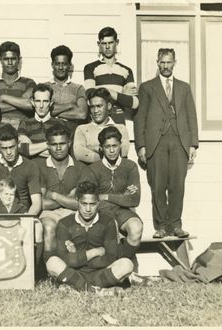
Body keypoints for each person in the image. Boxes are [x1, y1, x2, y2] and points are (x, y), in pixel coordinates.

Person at [134, 48, 198, 238]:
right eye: (162, 62)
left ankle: (176, 225)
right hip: (157, 142)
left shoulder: (184, 87)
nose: (165, 66)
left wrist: (193, 143)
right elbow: (140, 118)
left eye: (169, 62)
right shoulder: (147, 87)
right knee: (159, 185)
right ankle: (161, 226)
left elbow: (192, 117)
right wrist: (141, 146)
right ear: (157, 63)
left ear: (174, 63)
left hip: (179, 141)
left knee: (178, 185)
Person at [46, 181, 133, 295]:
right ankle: (97, 290)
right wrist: (95, 252)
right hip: (74, 272)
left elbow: (111, 257)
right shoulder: (65, 223)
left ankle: (81, 288)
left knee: (127, 264)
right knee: (52, 263)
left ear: (98, 203)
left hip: (100, 273)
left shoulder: (107, 222)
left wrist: (77, 255)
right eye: (84, 203)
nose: (88, 209)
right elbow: (64, 258)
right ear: (77, 202)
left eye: (92, 204)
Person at [0, 124, 43, 274]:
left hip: (22, 212)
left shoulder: (30, 166)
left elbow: (36, 203)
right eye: (4, 148)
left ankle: (33, 273)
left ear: (18, 144)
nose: (8, 152)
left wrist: (25, 220)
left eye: (12, 147)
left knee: (38, 228)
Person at [87, 126, 143, 266]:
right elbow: (93, 200)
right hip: (102, 213)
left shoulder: (130, 166)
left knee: (136, 228)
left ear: (120, 145)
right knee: (111, 227)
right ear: (101, 148)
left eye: (115, 146)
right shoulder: (93, 169)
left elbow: (134, 199)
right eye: (107, 147)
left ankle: (123, 263)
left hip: (123, 211)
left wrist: (106, 196)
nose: (112, 151)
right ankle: (116, 269)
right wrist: (122, 197)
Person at [37, 124, 89, 263]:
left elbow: (80, 204)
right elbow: (40, 203)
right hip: (48, 214)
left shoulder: (81, 168)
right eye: (54, 144)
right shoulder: (39, 167)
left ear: (69, 143)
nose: (58, 148)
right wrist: (68, 198)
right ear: (48, 145)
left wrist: (53, 195)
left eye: (62, 143)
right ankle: (51, 271)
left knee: (77, 227)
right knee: (48, 226)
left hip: (72, 213)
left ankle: (73, 270)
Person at [84, 27, 138, 125]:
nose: (107, 47)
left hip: (119, 120)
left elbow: (134, 103)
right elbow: (90, 95)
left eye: (111, 43)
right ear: (99, 44)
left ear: (116, 43)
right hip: (97, 120)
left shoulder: (126, 70)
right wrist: (121, 95)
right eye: (104, 43)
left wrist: (101, 90)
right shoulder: (90, 68)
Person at [0, 41, 36, 129]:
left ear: (19, 60)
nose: (10, 62)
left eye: (13, 58)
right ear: (0, 60)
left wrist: (4, 97)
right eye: (6, 59)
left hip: (23, 128)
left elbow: (31, 105)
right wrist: (21, 103)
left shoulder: (29, 82)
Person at [72, 87, 129, 164]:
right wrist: (108, 154)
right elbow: (79, 154)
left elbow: (123, 151)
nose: (95, 111)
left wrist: (92, 148)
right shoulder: (82, 129)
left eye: (99, 106)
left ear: (108, 106)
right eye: (92, 107)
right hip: (91, 172)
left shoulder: (120, 128)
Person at [45, 45, 88, 134]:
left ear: (69, 65)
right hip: (48, 131)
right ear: (52, 65)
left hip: (71, 133)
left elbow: (82, 114)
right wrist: (70, 105)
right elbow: (38, 110)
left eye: (64, 64)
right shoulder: (44, 87)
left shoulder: (78, 88)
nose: (60, 68)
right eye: (57, 64)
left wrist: (51, 113)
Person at [17, 83, 67, 160]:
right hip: (32, 167)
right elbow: (23, 149)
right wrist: (51, 144)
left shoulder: (60, 123)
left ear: (51, 103)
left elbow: (61, 151)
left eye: (45, 101)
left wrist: (32, 146)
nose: (41, 105)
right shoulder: (25, 123)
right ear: (32, 102)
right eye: (37, 101)